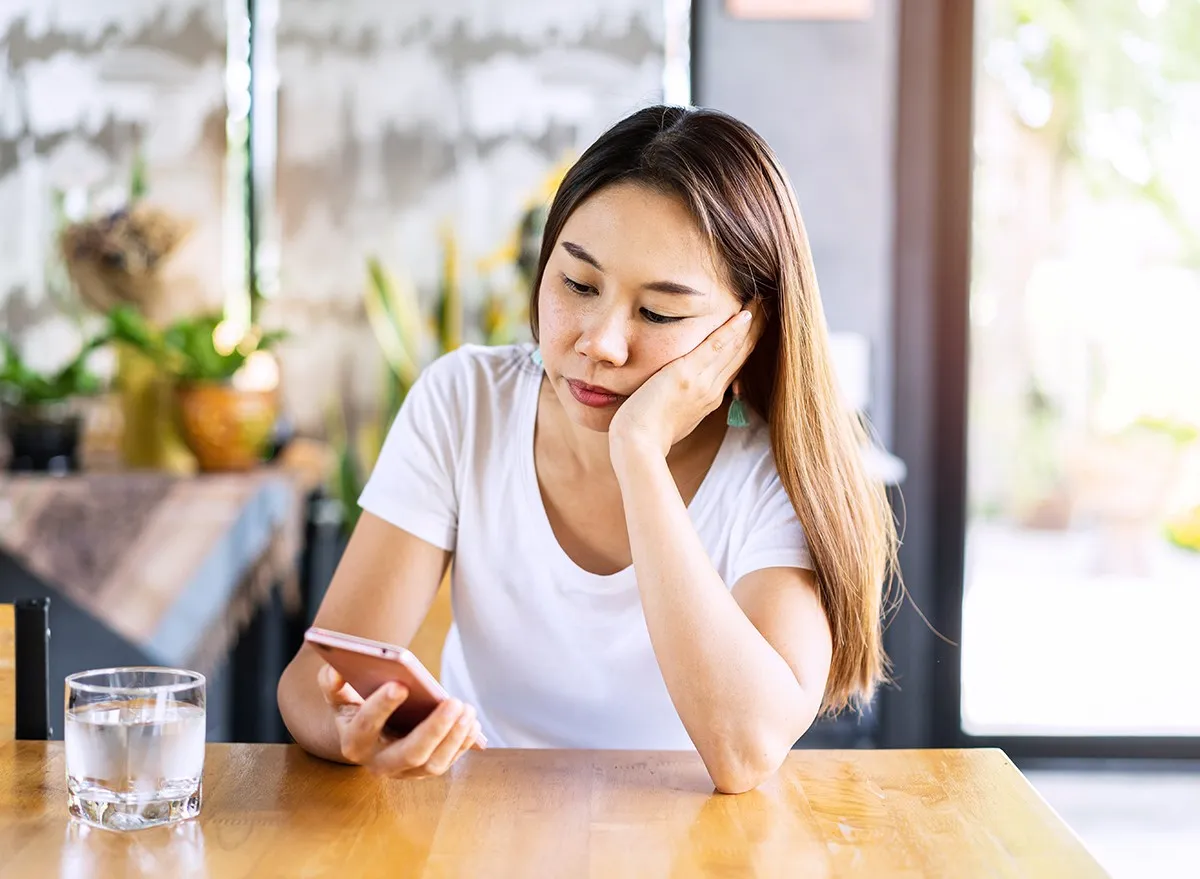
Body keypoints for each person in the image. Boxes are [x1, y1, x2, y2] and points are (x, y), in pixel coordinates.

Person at [278, 105, 897, 794]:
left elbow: (745, 751)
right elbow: (313, 679)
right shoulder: (467, 403)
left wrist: (639, 453)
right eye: (577, 284)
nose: (599, 342)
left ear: (744, 333)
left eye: (658, 312)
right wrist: (349, 732)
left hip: (692, 843)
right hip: (483, 822)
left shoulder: (774, 469)